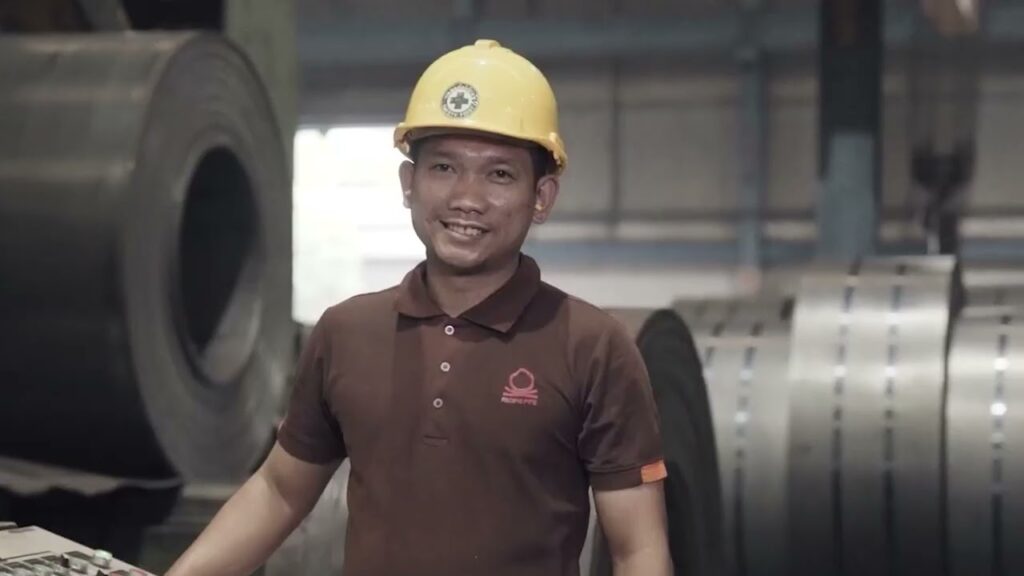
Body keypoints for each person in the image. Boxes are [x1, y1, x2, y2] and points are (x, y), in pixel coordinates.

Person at [167, 39, 671, 576]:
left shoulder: (592, 347)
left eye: (500, 174)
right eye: (444, 168)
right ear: (409, 184)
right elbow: (278, 491)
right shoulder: (347, 332)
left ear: (542, 197)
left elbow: (638, 550)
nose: (466, 198)